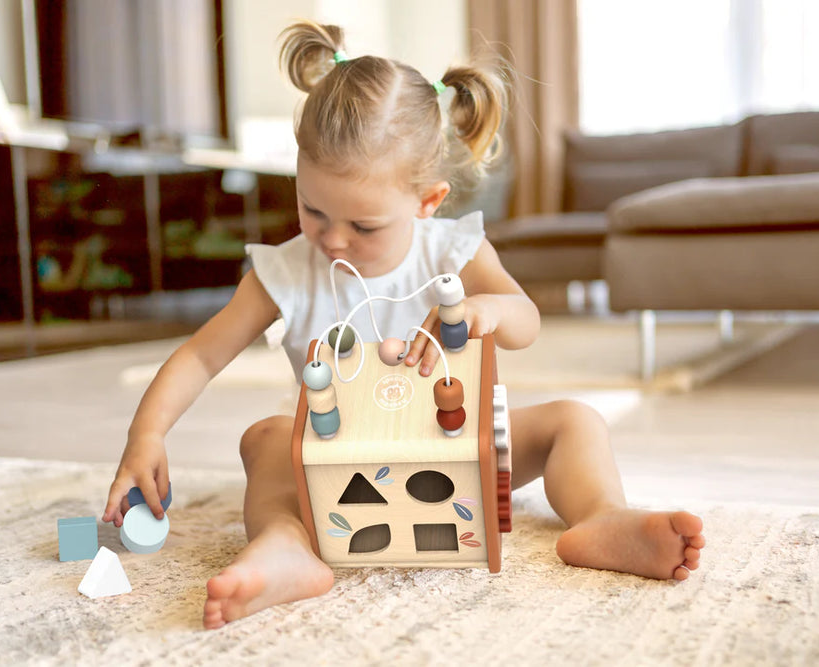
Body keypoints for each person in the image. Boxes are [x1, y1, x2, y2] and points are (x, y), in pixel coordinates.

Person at [102, 20, 705, 630]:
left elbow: (526, 320)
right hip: (337, 468)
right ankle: (285, 543)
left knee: (576, 421)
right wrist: (145, 436)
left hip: (460, 450)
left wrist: (487, 309)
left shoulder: (454, 252)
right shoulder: (282, 271)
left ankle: (600, 517)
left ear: (428, 201)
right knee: (264, 438)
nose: (333, 238)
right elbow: (201, 356)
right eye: (312, 209)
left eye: (363, 226)